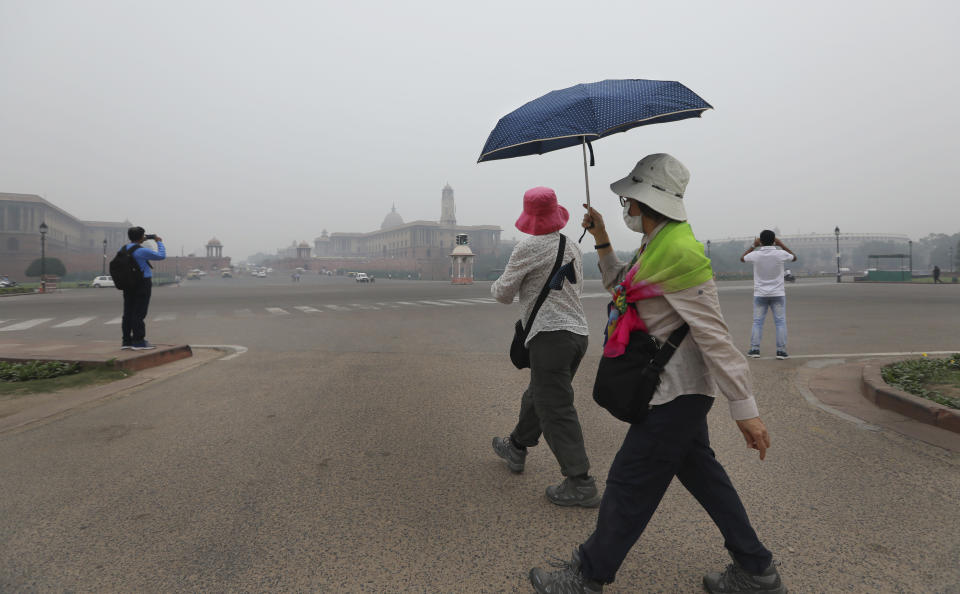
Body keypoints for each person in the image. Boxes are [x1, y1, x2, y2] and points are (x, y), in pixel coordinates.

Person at [529, 154, 786, 593]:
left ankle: (587, 576)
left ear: (644, 203)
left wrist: (745, 409)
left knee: (630, 483)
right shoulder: (659, 245)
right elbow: (620, 286)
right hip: (671, 389)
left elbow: (715, 336)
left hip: (676, 393)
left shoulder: (680, 254)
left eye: (628, 199)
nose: (624, 206)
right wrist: (604, 239)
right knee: (705, 478)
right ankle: (756, 569)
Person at [490, 186, 598, 507]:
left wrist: (501, 283)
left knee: (555, 408)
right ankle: (517, 446)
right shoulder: (572, 247)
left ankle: (580, 481)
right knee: (541, 394)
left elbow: (503, 293)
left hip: (550, 336)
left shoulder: (528, 247)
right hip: (577, 334)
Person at [740, 230, 796, 360]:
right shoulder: (780, 254)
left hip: (760, 294)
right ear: (774, 240)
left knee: (757, 322)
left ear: (760, 241)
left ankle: (755, 349)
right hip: (778, 293)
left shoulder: (756, 255)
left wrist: (754, 246)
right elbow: (794, 257)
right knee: (780, 322)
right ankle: (781, 351)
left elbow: (742, 258)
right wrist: (781, 244)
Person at [121, 226, 165, 350]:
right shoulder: (141, 251)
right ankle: (139, 341)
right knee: (139, 312)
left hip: (128, 283)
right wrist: (159, 241)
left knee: (128, 312)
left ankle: (126, 341)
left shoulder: (123, 249)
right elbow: (161, 256)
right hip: (142, 283)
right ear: (142, 237)